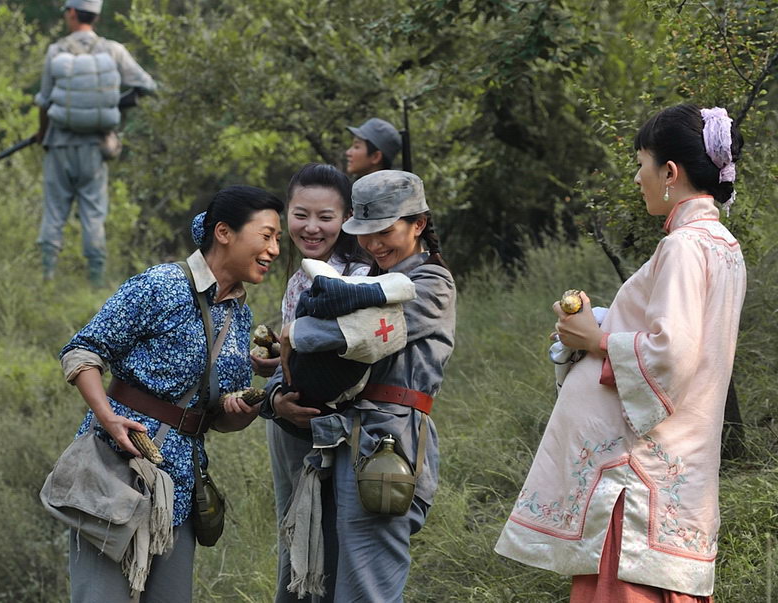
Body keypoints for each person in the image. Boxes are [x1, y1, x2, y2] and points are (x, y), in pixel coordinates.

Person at [494, 104, 746, 601]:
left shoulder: (682, 247)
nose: (637, 177)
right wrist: (606, 322)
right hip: (678, 476)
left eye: (641, 164)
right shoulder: (722, 245)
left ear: (669, 173)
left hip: (636, 486)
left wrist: (596, 340)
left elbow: (672, 353)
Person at [58, 185, 282, 601]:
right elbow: (82, 351)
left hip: (180, 487)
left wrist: (242, 411)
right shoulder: (162, 285)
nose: (274, 249)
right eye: (266, 235)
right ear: (224, 232)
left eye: (278, 239)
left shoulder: (240, 312)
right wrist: (107, 416)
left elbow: (217, 417)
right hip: (116, 472)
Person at [242, 170, 456, 601]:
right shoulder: (366, 281)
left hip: (389, 442)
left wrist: (294, 334)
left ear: (418, 224)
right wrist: (276, 394)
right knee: (321, 571)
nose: (375, 244)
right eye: (366, 233)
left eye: (386, 232)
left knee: (366, 585)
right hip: (341, 438)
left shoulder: (430, 283)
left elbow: (355, 336)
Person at [247, 163, 371, 602]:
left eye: (326, 217)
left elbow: (338, 364)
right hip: (287, 419)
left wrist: (278, 393)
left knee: (316, 540)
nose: (312, 227)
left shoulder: (353, 279)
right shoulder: (303, 270)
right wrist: (277, 368)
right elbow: (302, 350)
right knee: (295, 530)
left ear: (348, 219)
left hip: (322, 426)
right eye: (301, 215)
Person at [34, 0, 157, 286]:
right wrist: (116, 102)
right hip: (96, 146)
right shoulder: (113, 50)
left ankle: (47, 278)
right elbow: (147, 85)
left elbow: (44, 101)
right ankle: (96, 282)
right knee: (93, 212)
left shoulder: (56, 51)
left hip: (59, 144)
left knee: (54, 210)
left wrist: (42, 134)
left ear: (73, 13)